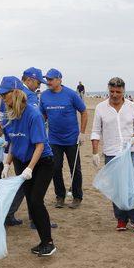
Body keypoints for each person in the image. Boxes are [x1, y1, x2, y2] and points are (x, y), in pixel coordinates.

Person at [0, 77, 57, 256]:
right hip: (22, 162)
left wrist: (30, 168)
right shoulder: (9, 115)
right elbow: (13, 142)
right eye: (0, 95)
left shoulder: (33, 114)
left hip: (42, 162)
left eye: (4, 94)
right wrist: (7, 164)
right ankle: (43, 241)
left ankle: (49, 242)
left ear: (15, 93)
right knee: (31, 202)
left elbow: (39, 145)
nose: (2, 98)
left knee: (37, 201)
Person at [91, 77, 134, 233]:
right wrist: (95, 152)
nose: (114, 95)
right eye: (112, 91)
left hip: (129, 152)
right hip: (111, 152)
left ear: (123, 91)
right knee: (116, 187)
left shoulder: (132, 106)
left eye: (118, 92)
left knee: (133, 186)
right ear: (108, 90)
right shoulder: (101, 108)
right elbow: (95, 131)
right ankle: (121, 219)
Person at [5, 67, 49, 226]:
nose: (38, 86)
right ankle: (30, 218)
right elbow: (31, 124)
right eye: (38, 82)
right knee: (26, 187)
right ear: (29, 79)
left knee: (27, 187)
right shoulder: (24, 97)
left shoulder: (12, 97)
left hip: (18, 147)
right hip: (25, 149)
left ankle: (33, 218)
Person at [39, 68, 88, 209]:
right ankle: (60, 196)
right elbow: (42, 116)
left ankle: (77, 196)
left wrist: (82, 133)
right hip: (54, 139)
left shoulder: (71, 94)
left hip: (72, 139)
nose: (48, 82)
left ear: (59, 79)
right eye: (47, 79)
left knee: (75, 169)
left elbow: (84, 112)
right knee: (55, 168)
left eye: (51, 79)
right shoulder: (44, 96)